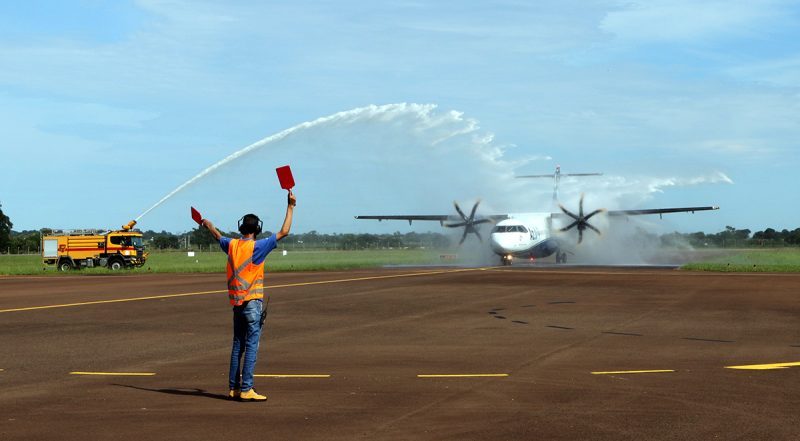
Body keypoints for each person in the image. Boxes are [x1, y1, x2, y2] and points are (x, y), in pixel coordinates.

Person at [201, 190, 296, 402]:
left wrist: (208, 224)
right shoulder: (259, 246)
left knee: (237, 345)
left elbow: (218, 236)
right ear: (258, 229)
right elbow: (285, 231)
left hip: (236, 303)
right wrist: (290, 206)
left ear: (242, 228)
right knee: (252, 345)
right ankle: (247, 388)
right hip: (252, 302)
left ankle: (234, 388)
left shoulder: (232, 245)